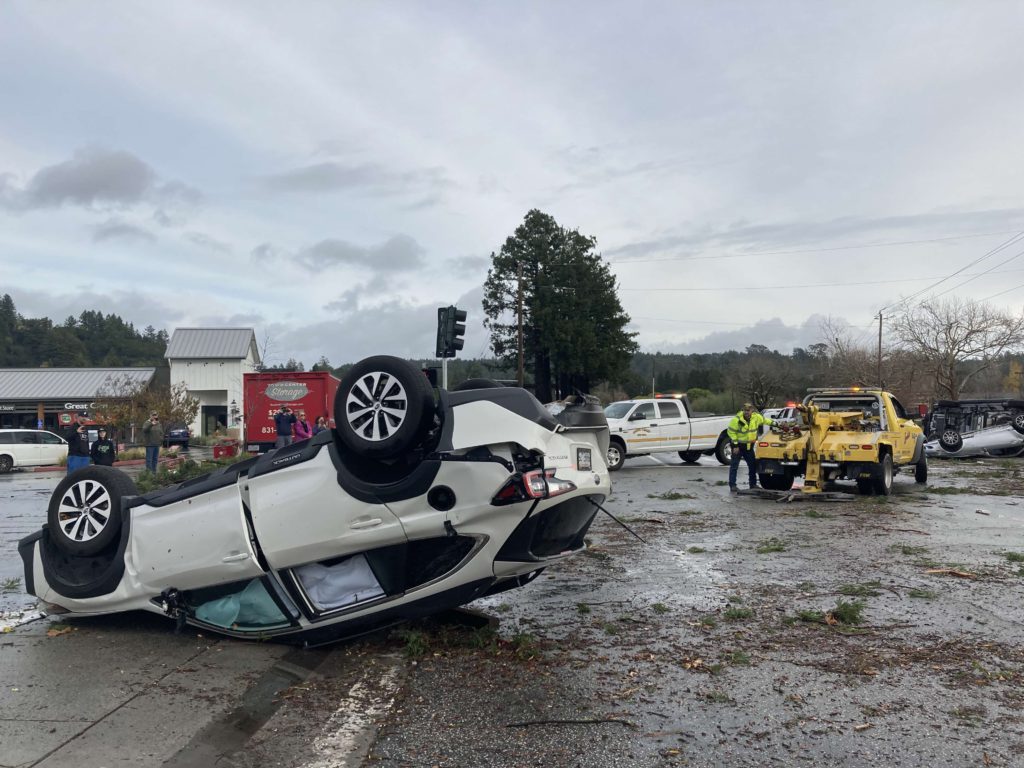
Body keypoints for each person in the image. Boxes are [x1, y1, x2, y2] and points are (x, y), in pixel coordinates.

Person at [727, 403, 773, 492]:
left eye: (748, 410)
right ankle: (732, 485)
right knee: (734, 466)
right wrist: (735, 446)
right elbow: (731, 433)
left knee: (752, 465)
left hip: (749, 447)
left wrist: (777, 424)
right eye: (745, 410)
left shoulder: (756, 417)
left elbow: (766, 421)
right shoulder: (736, 420)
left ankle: (753, 484)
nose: (746, 412)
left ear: (752, 410)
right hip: (738, 447)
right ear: (742, 410)